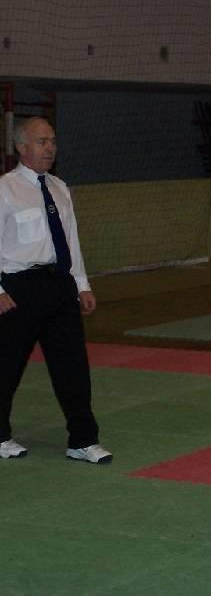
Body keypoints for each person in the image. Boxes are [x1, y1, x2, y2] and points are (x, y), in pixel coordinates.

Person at [0, 117, 112, 464]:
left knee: (73, 366)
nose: (50, 148)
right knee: (6, 367)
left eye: (52, 141)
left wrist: (81, 284)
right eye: (41, 141)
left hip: (59, 284)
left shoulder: (60, 188)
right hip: (17, 287)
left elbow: (70, 240)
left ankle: (82, 439)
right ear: (21, 147)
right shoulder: (5, 189)